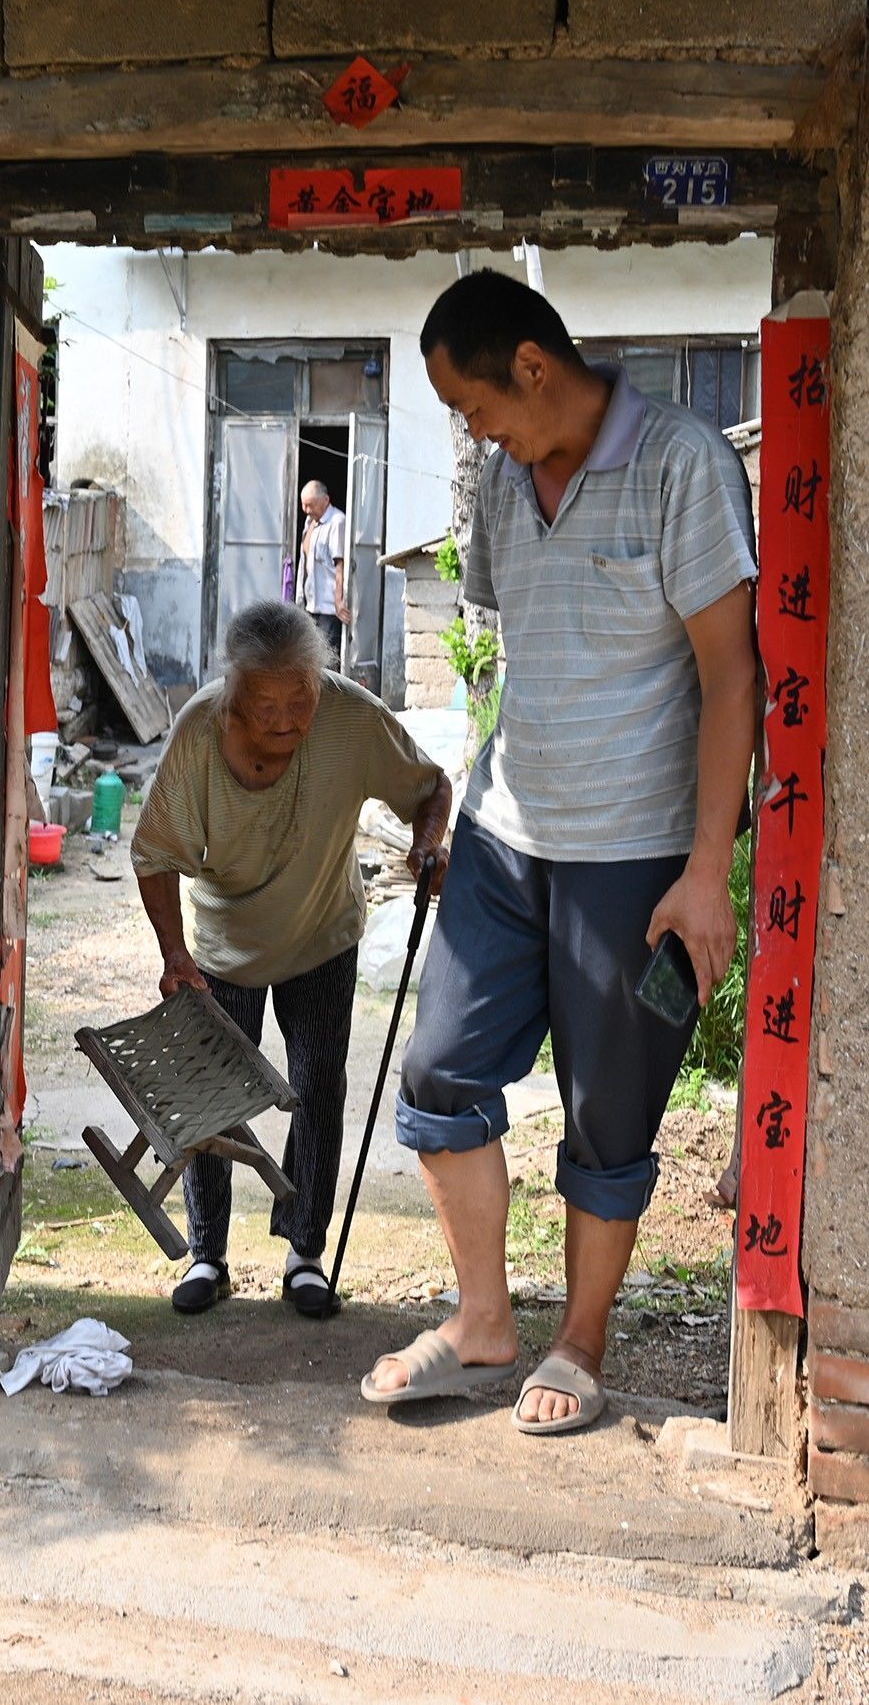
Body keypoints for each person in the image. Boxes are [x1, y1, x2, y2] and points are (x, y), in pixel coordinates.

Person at [360, 270, 759, 1436]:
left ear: (533, 365)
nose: (473, 431)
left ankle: (580, 1339)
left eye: (476, 405)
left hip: (635, 855)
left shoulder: (684, 462)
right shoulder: (501, 480)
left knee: (608, 1116)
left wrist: (707, 869)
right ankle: (484, 1320)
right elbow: (517, 648)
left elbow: (730, 672)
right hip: (505, 834)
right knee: (440, 1071)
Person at [132, 600, 452, 1319]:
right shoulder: (197, 733)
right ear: (232, 697)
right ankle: (208, 1253)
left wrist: (427, 846)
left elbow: (430, 786)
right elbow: (154, 852)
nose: (286, 720)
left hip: (320, 933)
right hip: (223, 943)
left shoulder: (351, 718)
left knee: (318, 1084)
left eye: (300, 698)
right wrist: (173, 952)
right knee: (209, 1093)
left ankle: (305, 1251)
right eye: (266, 705)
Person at [298, 480, 350, 661]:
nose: (306, 510)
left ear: (326, 500)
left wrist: (339, 601)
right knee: (310, 658)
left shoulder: (337, 521)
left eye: (310, 505)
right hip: (311, 605)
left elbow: (340, 563)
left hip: (328, 608)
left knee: (327, 661)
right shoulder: (309, 522)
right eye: (303, 504)